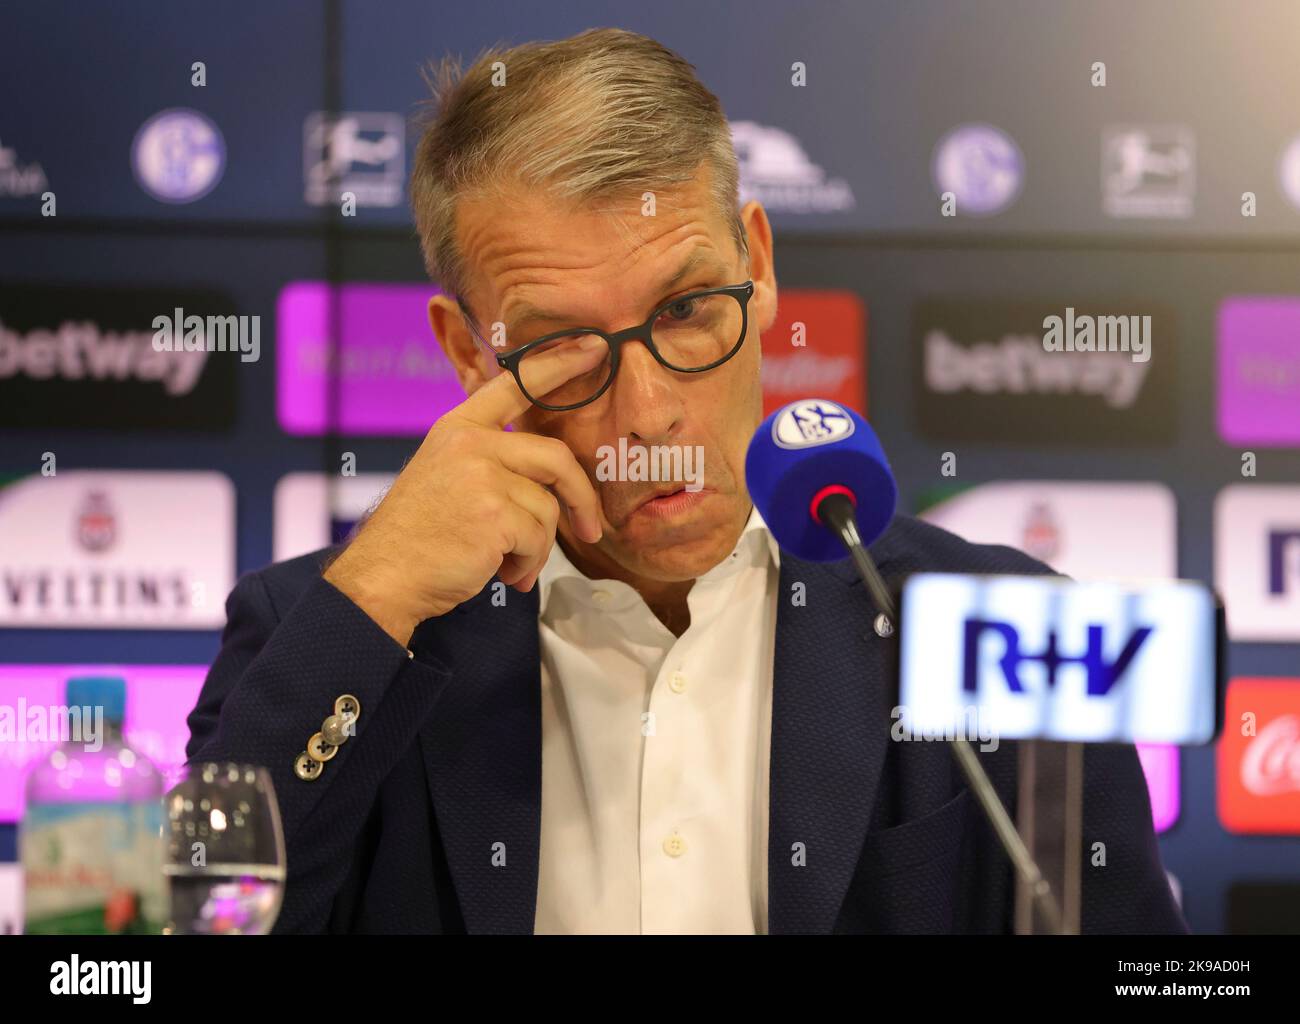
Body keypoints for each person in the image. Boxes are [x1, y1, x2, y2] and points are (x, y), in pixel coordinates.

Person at [186, 27, 1186, 934]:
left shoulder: (1001, 627)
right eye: (567, 351)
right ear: (465, 354)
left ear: (756, 263)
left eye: (686, 310)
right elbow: (202, 930)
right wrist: (375, 595)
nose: (651, 411)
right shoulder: (319, 637)